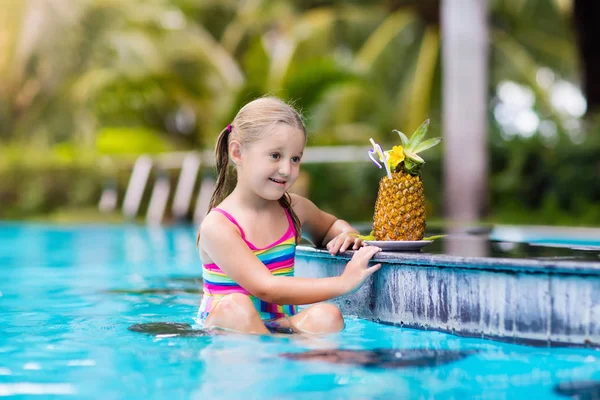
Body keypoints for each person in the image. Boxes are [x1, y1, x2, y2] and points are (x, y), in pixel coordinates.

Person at [196, 97, 382, 335]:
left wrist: (348, 235)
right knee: (236, 307)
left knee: (327, 315)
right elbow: (266, 288)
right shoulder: (218, 225)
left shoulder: (294, 209)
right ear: (237, 152)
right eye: (275, 155)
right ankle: (273, 361)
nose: (286, 169)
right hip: (230, 333)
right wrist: (343, 283)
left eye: (295, 158)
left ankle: (285, 361)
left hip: (279, 327)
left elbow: (331, 226)